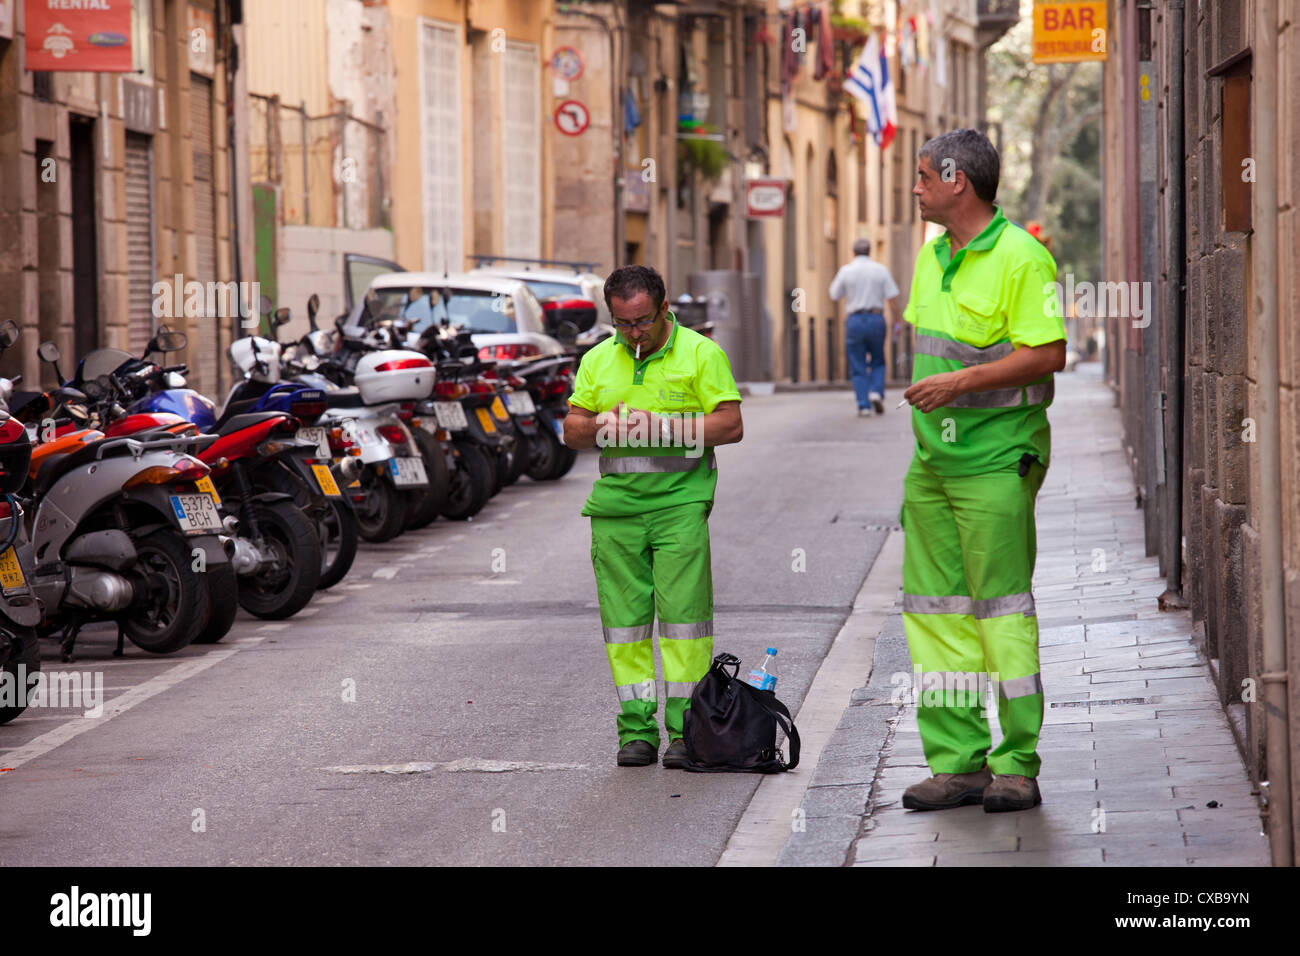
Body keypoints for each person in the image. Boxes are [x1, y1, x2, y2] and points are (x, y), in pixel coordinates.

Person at [897, 128, 1066, 813]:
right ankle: (958, 763)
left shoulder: (1023, 258)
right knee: (937, 614)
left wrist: (961, 387)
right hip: (932, 463)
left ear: (954, 179)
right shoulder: (932, 254)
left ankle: (1017, 764)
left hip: (999, 456)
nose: (915, 189)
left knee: (1001, 610)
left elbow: (1048, 353)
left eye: (921, 177)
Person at [562, 265, 744, 768]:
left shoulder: (701, 355)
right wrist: (600, 423)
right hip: (615, 511)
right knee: (625, 627)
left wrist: (660, 426)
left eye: (642, 321)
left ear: (665, 309)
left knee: (685, 624)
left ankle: (687, 731)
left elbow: (730, 426)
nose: (633, 333)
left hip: (680, 506)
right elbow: (572, 430)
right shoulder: (599, 360)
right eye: (622, 323)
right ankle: (636, 731)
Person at [829, 238, 900, 416]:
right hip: (876, 318)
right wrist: (897, 321)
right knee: (878, 359)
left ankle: (863, 405)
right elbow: (892, 298)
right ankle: (876, 391)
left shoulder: (846, 270)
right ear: (870, 252)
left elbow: (834, 294)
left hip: (855, 319)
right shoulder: (880, 270)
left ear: (853, 253)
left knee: (857, 363)